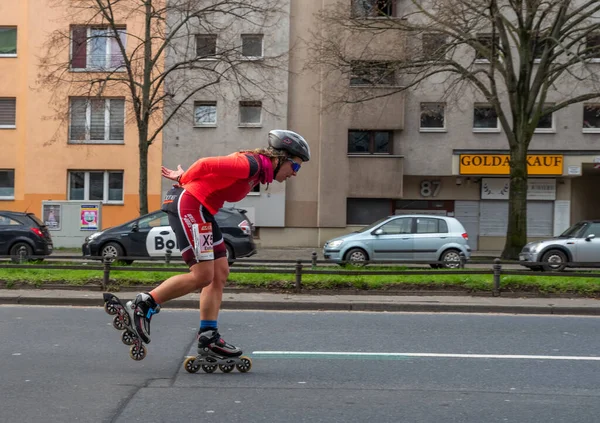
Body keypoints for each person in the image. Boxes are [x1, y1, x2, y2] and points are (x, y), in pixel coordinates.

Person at [126, 129, 310, 359]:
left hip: (203, 210)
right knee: (203, 275)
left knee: (220, 273)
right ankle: (144, 304)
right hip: (190, 205)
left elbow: (211, 176)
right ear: (281, 157)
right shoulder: (249, 164)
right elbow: (204, 164)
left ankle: (208, 336)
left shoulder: (258, 172)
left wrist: (187, 179)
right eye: (295, 166)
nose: (295, 173)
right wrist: (183, 179)